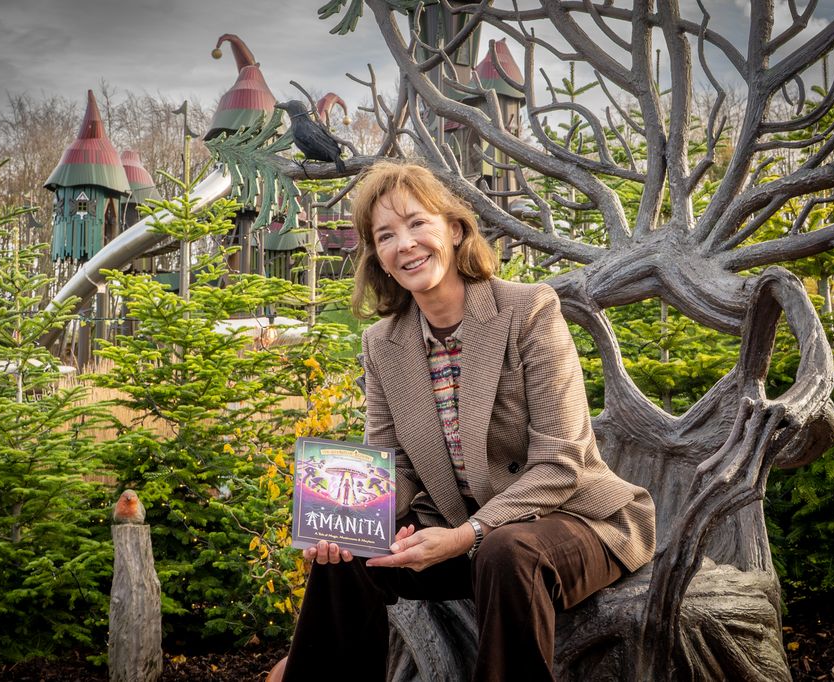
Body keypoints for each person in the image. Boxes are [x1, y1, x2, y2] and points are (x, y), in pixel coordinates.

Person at [275, 161, 656, 682]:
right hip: (455, 526)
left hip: (575, 521)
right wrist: (348, 523)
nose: (404, 243)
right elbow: (394, 467)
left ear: (454, 230)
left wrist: (467, 536)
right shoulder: (382, 344)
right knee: (347, 559)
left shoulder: (528, 311)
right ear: (379, 258)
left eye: (417, 223)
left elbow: (561, 462)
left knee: (504, 550)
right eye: (385, 235)